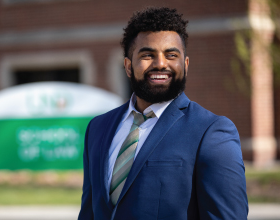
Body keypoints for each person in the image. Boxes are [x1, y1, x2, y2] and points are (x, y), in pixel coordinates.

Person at [78, 7, 248, 220]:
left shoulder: (212, 132)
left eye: (171, 55)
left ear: (185, 65)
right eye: (148, 55)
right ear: (128, 66)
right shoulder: (98, 128)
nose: (160, 63)